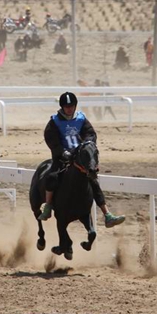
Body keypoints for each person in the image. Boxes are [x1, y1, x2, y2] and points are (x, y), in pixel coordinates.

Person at [38, 92, 125, 228]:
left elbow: (90, 133)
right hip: (62, 158)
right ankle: (48, 206)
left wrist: (87, 145)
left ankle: (107, 215)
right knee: (52, 176)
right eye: (67, 107)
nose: (69, 109)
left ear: (75, 106)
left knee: (93, 181)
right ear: (62, 107)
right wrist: (62, 152)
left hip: (79, 157)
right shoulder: (54, 122)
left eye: (71, 106)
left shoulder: (81, 119)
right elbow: (51, 139)